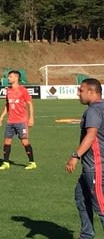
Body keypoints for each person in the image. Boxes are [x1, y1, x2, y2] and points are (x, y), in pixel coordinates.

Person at [66, 78, 104, 239]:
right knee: (81, 196)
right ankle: (87, 235)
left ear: (91, 92)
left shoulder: (93, 110)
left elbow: (91, 135)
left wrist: (75, 156)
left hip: (95, 166)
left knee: (101, 206)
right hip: (93, 165)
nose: (78, 94)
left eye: (81, 90)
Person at [0, 70, 36, 170]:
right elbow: (7, 105)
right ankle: (6, 162)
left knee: (24, 142)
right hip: (10, 121)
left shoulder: (23, 90)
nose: (8, 78)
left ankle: (32, 162)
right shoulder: (8, 90)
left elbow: (30, 104)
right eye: (8, 77)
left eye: (10, 77)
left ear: (16, 78)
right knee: (7, 141)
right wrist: (1, 117)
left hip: (21, 121)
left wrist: (31, 118)